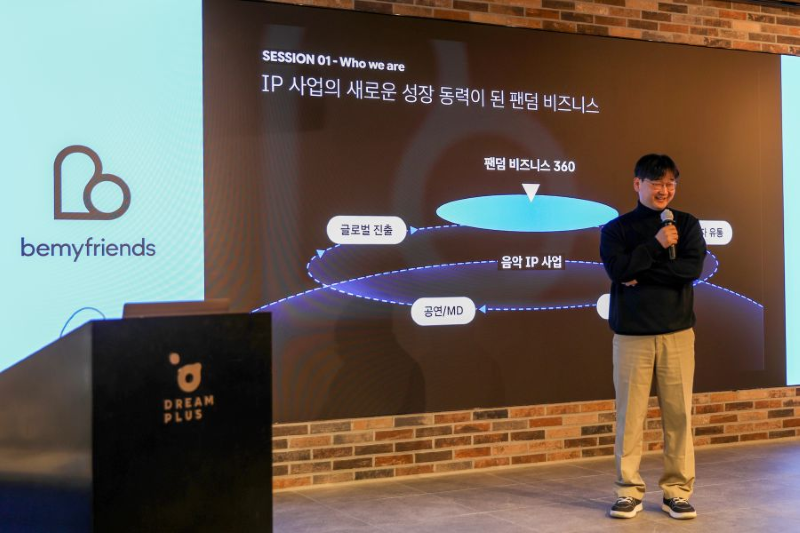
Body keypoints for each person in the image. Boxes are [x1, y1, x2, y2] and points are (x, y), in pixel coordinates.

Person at [600, 154, 706, 520]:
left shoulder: (687, 224)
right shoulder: (616, 230)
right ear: (637, 184)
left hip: (678, 334)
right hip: (632, 336)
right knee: (629, 418)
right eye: (656, 183)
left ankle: (677, 492)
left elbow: (690, 270)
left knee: (678, 416)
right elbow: (617, 269)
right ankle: (627, 491)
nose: (664, 190)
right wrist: (656, 246)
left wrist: (640, 272)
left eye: (670, 183)